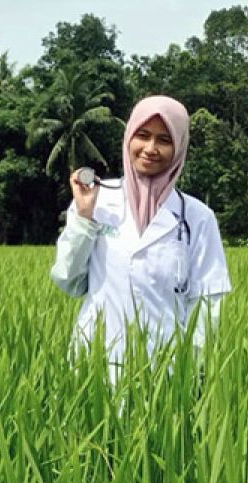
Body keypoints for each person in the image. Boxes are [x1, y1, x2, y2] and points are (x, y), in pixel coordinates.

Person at [50, 96, 232, 369]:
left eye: (164, 140)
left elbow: (208, 305)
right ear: (128, 138)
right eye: (143, 135)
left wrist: (189, 371)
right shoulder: (97, 201)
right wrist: (85, 218)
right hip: (95, 365)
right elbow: (68, 281)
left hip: (166, 370)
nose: (150, 148)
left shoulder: (197, 217)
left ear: (180, 147)